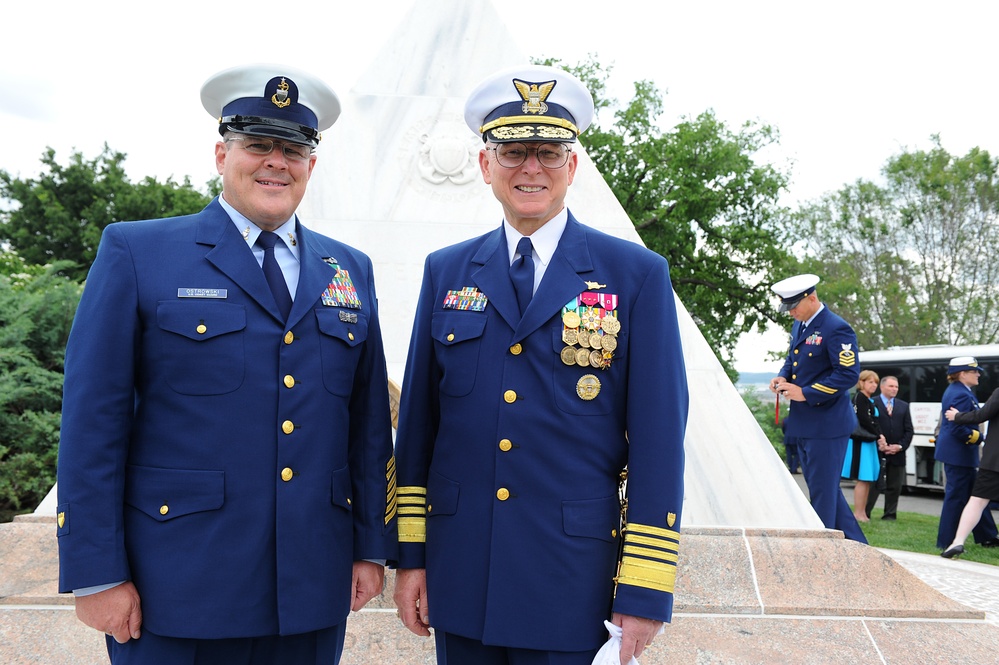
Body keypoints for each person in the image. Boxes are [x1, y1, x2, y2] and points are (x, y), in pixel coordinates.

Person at [55, 64, 398, 664]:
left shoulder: (350, 269)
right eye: (257, 144)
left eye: (292, 149)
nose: (275, 161)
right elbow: (93, 424)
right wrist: (94, 572)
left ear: (311, 165)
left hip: (311, 589)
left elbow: (368, 428)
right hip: (177, 584)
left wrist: (370, 546)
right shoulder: (138, 251)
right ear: (221, 153)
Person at [392, 64, 689, 665]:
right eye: (513, 152)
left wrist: (645, 588)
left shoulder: (635, 275)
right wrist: (412, 559)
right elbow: (419, 429)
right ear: (484, 166)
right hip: (462, 574)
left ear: (572, 167)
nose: (531, 168)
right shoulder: (446, 272)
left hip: (572, 583)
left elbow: (659, 442)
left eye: (549, 152)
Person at [768, 274, 866, 543]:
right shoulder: (802, 325)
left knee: (822, 493)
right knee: (823, 489)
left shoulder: (837, 328)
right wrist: (783, 376)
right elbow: (794, 358)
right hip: (806, 422)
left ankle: (818, 550)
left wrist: (805, 393)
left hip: (828, 423)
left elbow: (847, 375)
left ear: (812, 298)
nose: (791, 313)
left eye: (794, 307)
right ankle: (857, 546)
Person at [934, 356, 999, 553]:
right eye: (974, 371)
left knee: (978, 496)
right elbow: (958, 429)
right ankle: (946, 541)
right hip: (959, 453)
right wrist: (982, 439)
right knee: (957, 497)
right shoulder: (960, 394)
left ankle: (987, 535)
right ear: (962, 374)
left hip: (961, 453)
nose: (978, 374)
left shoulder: (962, 391)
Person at [865, 375, 913, 520]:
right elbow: (868, 426)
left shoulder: (903, 406)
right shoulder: (872, 403)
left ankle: (890, 514)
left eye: (896, 387)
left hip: (897, 454)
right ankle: (865, 512)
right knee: (873, 484)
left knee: (895, 485)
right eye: (891, 386)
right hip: (877, 451)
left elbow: (909, 430)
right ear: (882, 387)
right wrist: (880, 444)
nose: (894, 389)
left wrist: (899, 446)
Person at [841, 370, 886, 523]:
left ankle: (862, 513)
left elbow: (874, 421)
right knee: (862, 477)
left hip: (869, 441)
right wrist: (879, 435)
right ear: (862, 383)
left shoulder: (869, 400)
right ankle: (858, 513)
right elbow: (864, 420)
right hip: (862, 441)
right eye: (870, 382)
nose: (874, 385)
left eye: (876, 382)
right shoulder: (860, 398)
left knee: (867, 479)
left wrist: (880, 435)